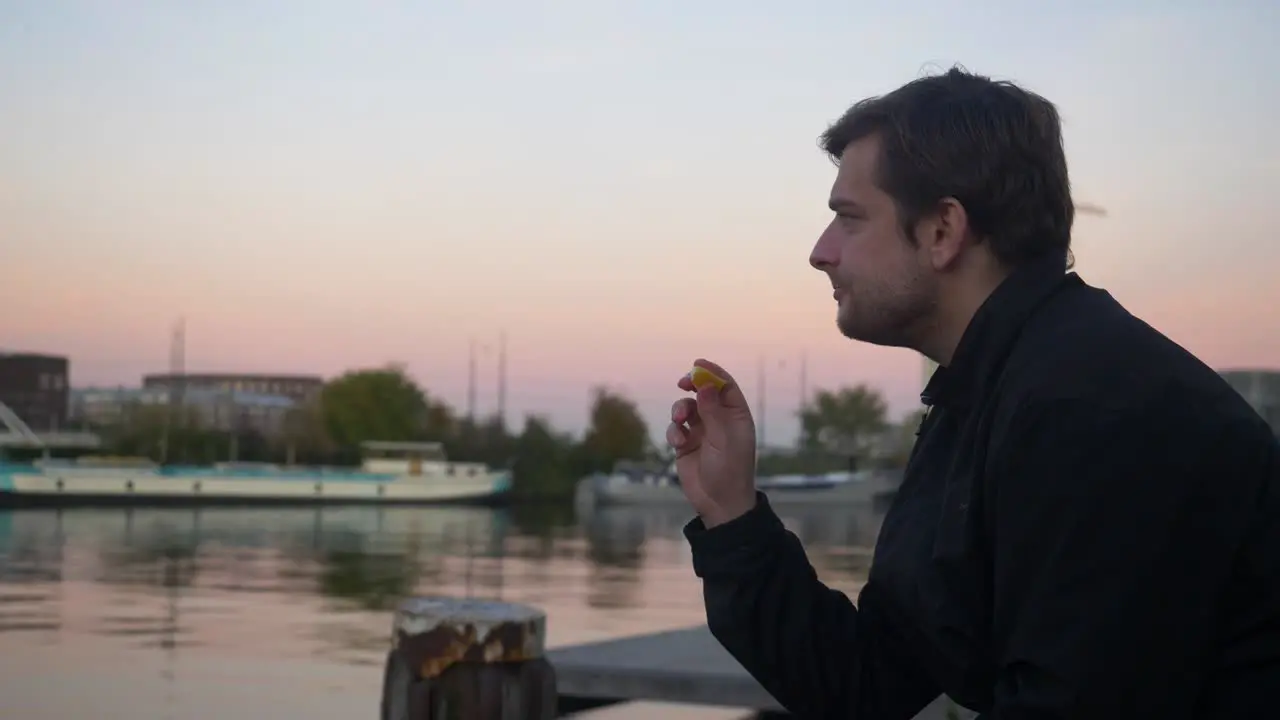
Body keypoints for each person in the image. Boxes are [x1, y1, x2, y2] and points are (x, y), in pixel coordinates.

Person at [665, 67, 1280, 719]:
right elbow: (865, 680)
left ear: (942, 231)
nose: (820, 253)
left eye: (848, 219)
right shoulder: (982, 395)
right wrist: (731, 515)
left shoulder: (1097, 409)